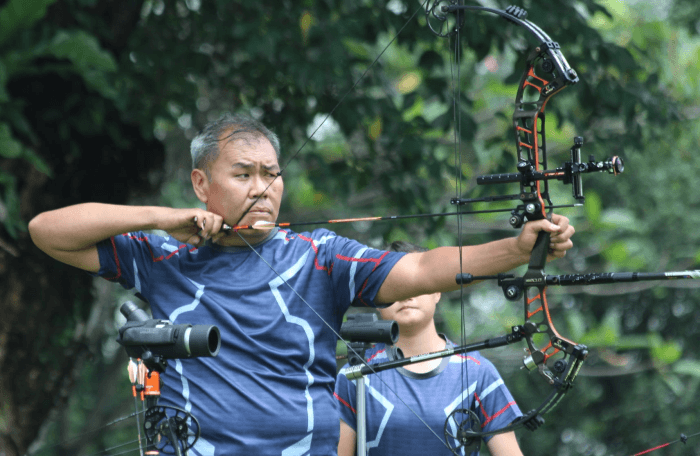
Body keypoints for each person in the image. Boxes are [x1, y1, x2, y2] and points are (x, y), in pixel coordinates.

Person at [28, 113, 574, 455]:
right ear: (202, 183)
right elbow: (46, 232)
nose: (262, 189)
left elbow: (421, 269)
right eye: (243, 175)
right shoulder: (163, 254)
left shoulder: (318, 257)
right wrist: (161, 218)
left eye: (273, 174)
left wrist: (515, 250)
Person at [335, 241, 524, 456]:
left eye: (417, 283)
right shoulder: (355, 374)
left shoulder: (478, 371)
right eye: (393, 284)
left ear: (438, 291)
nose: (406, 294)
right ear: (375, 298)